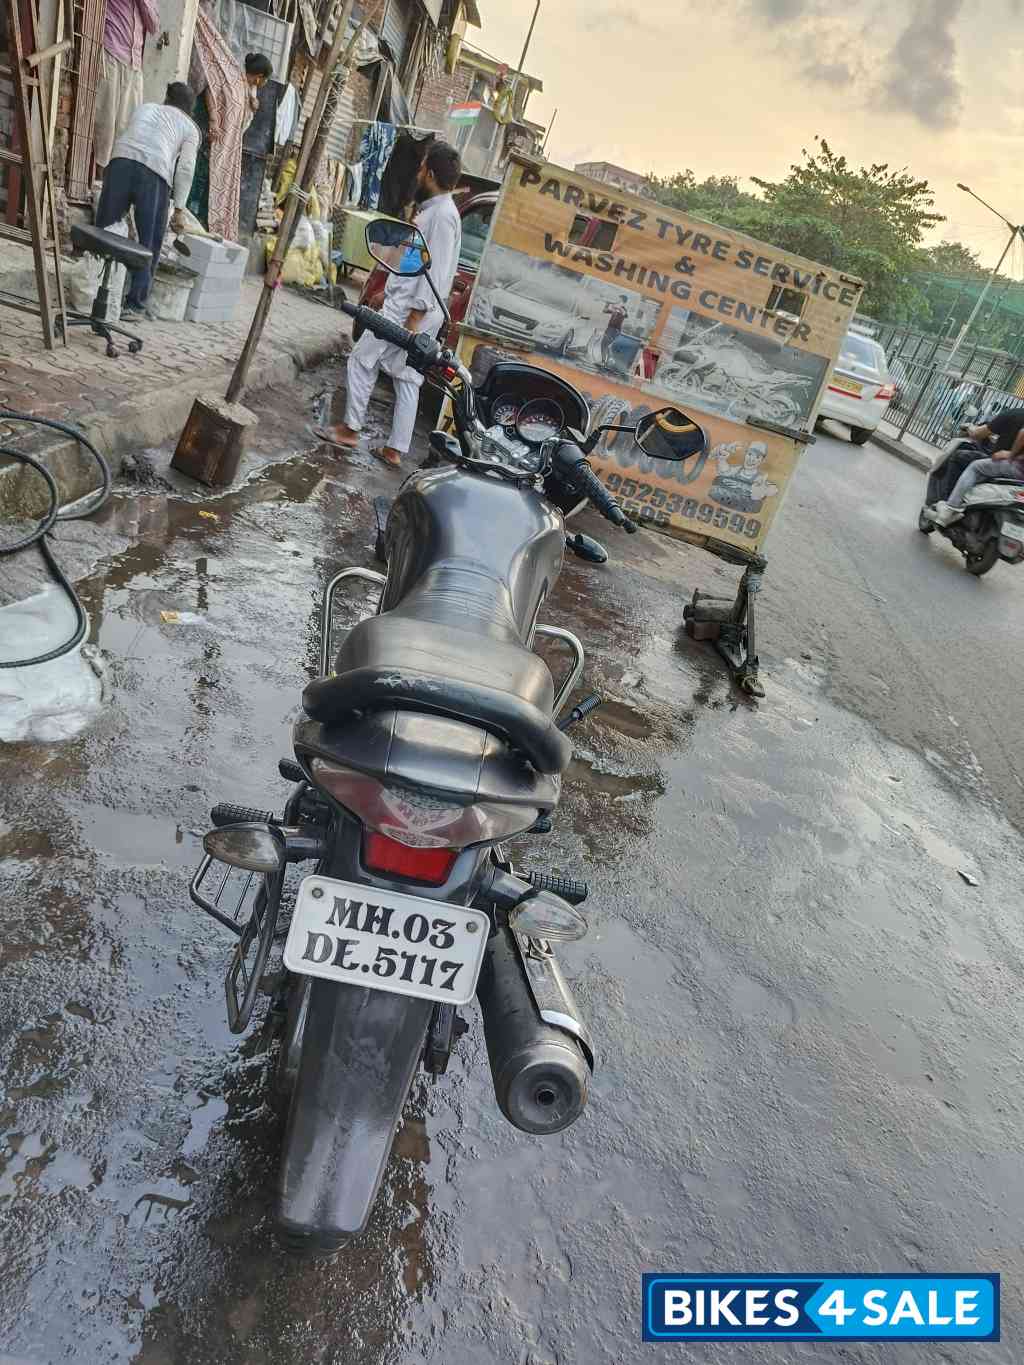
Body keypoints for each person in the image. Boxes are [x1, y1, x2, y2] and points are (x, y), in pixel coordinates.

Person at [313, 142, 463, 469]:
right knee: (407, 378)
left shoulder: (441, 216)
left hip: (410, 312)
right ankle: (395, 450)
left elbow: (435, 273)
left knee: (361, 359)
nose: (418, 174)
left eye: (422, 168)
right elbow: (415, 261)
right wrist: (388, 291)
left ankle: (350, 429)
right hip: (408, 306)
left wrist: (413, 319)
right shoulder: (437, 212)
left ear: (430, 174)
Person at [95, 82, 199, 318]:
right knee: (149, 243)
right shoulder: (190, 127)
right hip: (154, 172)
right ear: (190, 110)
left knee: (104, 230)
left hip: (120, 161)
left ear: (167, 98)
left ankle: (92, 288)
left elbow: (127, 132)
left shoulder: (146, 107)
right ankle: (134, 305)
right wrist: (179, 209)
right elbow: (186, 168)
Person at [188, 7, 272, 240]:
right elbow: (211, 89)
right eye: (265, 79)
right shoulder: (233, 75)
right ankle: (186, 217)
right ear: (259, 77)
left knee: (209, 182)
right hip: (210, 135)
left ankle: (201, 226)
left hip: (225, 146)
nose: (264, 84)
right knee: (199, 177)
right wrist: (214, 120)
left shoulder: (248, 89)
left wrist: (251, 103)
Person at [93, 0, 160, 179]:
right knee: (105, 123)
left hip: (134, 64)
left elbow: (153, 26)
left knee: (127, 129)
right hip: (111, 52)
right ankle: (98, 179)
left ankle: (112, 182)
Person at [931, 408, 1024, 524]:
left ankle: (950, 507)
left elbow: (977, 434)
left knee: (973, 466)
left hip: (1014, 468)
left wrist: (1011, 455)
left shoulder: (1014, 414)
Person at [600, 295, 629, 366]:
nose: (617, 301)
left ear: (623, 301)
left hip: (614, 330)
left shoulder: (623, 309)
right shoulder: (615, 309)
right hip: (610, 328)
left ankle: (607, 362)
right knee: (604, 344)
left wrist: (615, 306)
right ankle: (604, 361)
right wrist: (607, 304)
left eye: (619, 300)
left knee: (607, 345)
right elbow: (604, 311)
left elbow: (625, 314)